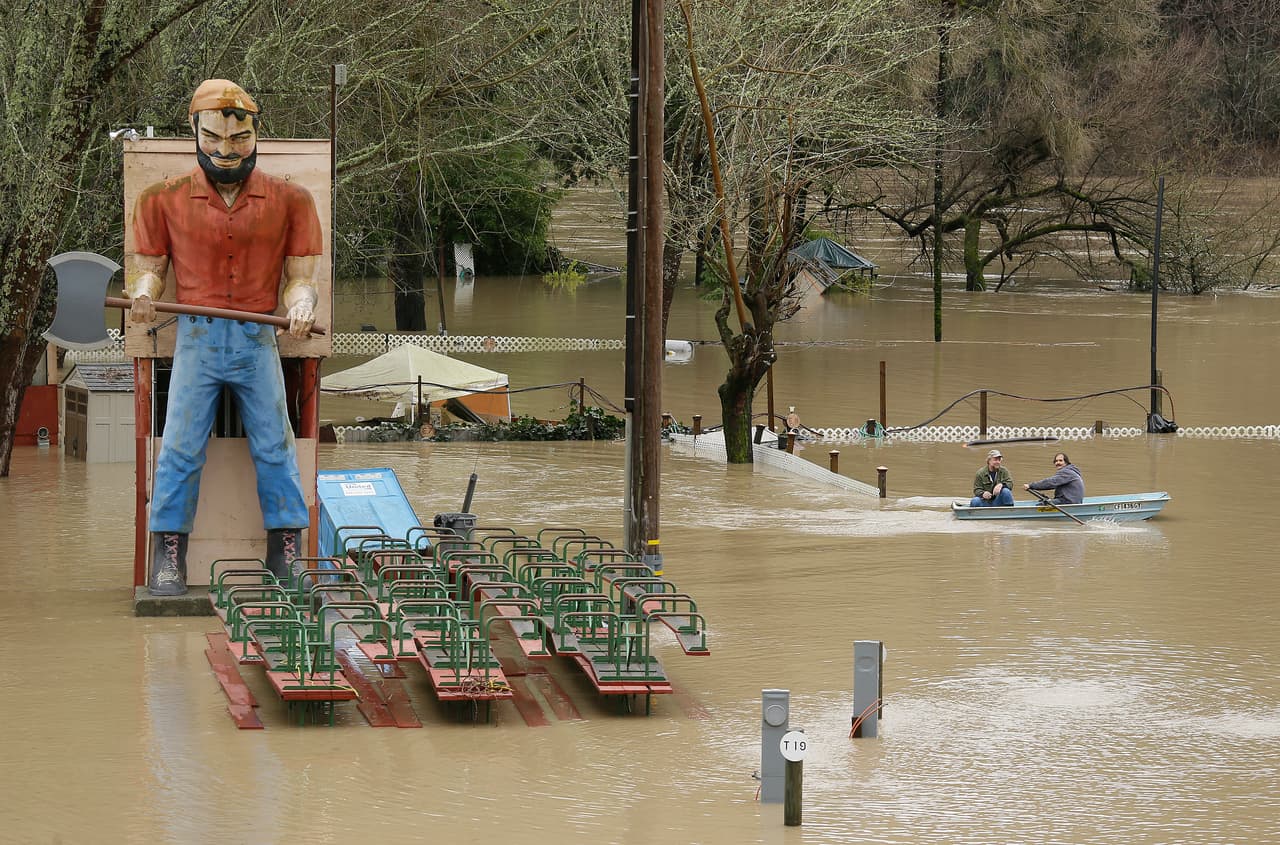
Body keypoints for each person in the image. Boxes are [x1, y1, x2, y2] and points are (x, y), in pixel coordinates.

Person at [127, 79, 323, 595]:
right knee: (181, 448)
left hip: (259, 335)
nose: (226, 149)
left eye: (239, 139)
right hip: (197, 335)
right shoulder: (160, 199)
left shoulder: (293, 200)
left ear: (256, 134)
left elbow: (301, 278)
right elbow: (147, 270)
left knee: (275, 444)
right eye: (214, 137)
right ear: (194, 131)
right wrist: (143, 294)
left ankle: (286, 555)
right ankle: (168, 557)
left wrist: (302, 304)